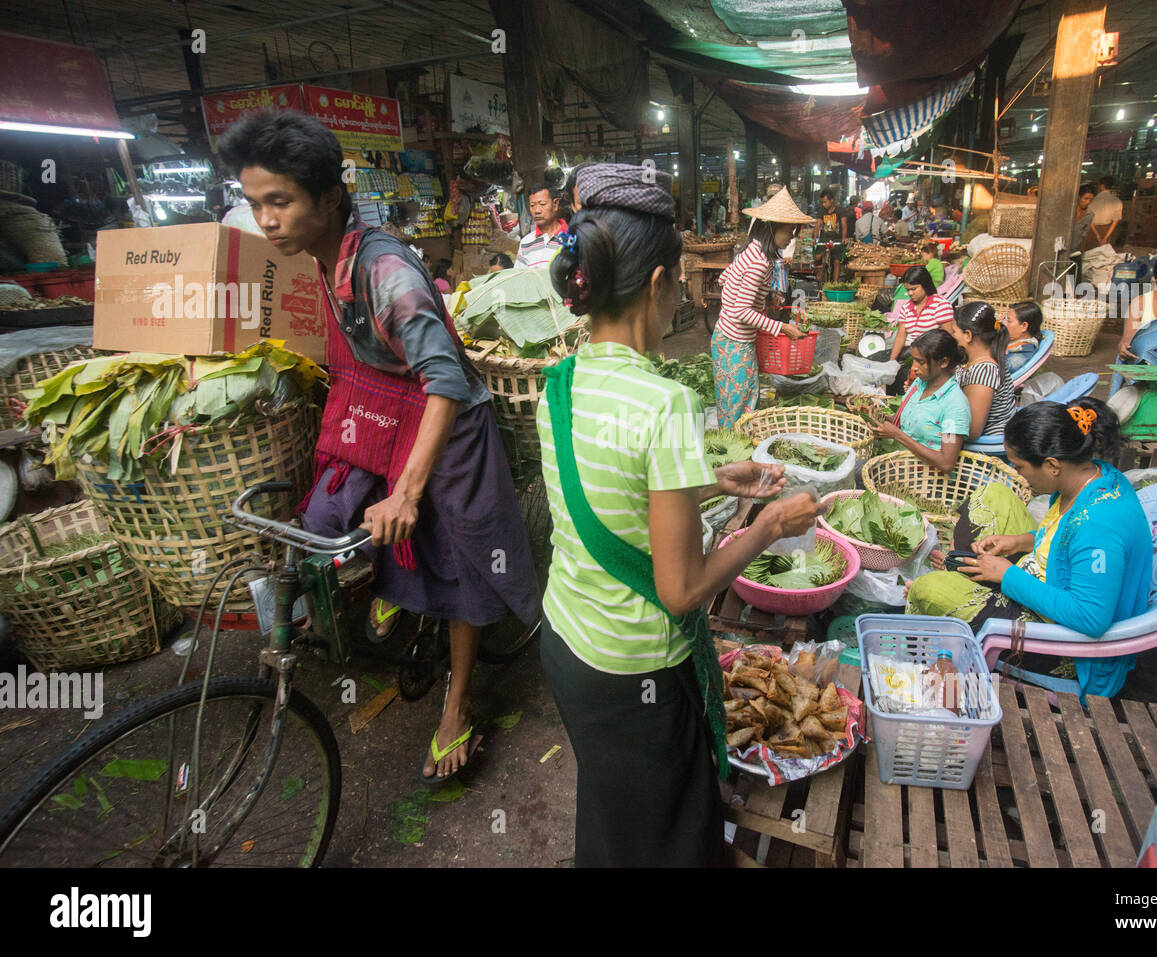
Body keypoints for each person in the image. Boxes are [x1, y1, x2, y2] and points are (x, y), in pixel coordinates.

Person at [217, 110, 540, 782]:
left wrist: (409, 491)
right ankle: (398, 587)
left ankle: (457, 705)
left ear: (329, 197)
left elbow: (446, 378)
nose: (267, 220)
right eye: (255, 205)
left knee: (458, 569)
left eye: (280, 201)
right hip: (392, 416)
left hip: (449, 427)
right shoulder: (321, 259)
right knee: (348, 518)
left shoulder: (387, 271)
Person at [538, 162, 826, 866]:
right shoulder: (661, 402)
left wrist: (707, 479)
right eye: (685, 288)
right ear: (662, 284)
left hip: (570, 646)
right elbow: (683, 590)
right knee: (668, 839)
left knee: (614, 820)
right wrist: (767, 527)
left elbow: (612, 490)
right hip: (637, 672)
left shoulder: (563, 381)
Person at [906, 398, 1153, 698]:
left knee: (928, 590)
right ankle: (968, 576)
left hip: (1073, 650)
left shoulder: (1099, 524)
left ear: (1052, 466)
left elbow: (1091, 619)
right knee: (992, 494)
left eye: (1020, 466)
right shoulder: (1087, 477)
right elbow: (1061, 538)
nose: (1016, 471)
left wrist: (1008, 576)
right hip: (1047, 577)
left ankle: (962, 588)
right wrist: (1020, 541)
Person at [712, 187, 813, 426]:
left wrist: (764, 297)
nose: (791, 238)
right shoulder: (758, 262)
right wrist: (783, 328)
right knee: (737, 409)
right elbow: (741, 311)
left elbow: (724, 278)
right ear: (771, 228)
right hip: (734, 343)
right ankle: (731, 460)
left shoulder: (753, 252)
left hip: (731, 338)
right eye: (789, 231)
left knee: (742, 401)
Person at [865, 329, 970, 473]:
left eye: (921, 362)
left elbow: (946, 463)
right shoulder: (919, 384)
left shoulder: (955, 405)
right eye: (914, 360)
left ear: (944, 362)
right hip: (899, 463)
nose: (914, 367)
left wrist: (898, 435)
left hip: (923, 478)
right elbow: (902, 423)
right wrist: (878, 417)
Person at [952, 302, 1015, 440]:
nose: (952, 336)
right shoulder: (972, 361)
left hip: (984, 448)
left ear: (968, 335)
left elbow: (971, 430)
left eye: (954, 332)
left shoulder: (984, 371)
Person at [886, 265, 956, 365]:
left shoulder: (940, 305)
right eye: (907, 290)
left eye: (913, 289)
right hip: (910, 353)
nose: (910, 293)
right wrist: (891, 362)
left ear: (925, 285)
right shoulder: (906, 307)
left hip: (931, 356)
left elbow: (948, 338)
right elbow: (901, 336)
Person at [516, 184, 568, 268]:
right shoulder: (526, 243)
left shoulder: (572, 238)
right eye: (532, 205)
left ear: (555, 204)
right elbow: (520, 277)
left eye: (542, 204)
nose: (537, 211)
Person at [813, 188, 849, 283]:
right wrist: (815, 239)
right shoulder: (821, 211)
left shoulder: (840, 211)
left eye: (825, 202)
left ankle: (835, 283)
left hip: (836, 240)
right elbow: (817, 226)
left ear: (832, 200)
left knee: (836, 261)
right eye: (822, 202)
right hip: (824, 240)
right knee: (817, 257)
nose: (823, 204)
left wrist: (844, 238)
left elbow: (844, 225)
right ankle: (820, 277)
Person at [1002, 300, 1043, 376]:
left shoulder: (1020, 357)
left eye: (1008, 320)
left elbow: (992, 372)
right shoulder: (1013, 344)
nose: (1004, 323)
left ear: (1024, 326)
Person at [1087, 175, 1124, 250]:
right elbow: (1115, 221)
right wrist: (1105, 237)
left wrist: (1097, 235)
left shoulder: (1092, 200)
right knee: (1104, 255)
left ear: (1101, 186)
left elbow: (1089, 220)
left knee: (1090, 254)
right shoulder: (1117, 201)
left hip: (1092, 230)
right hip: (1107, 229)